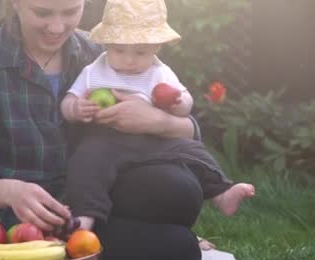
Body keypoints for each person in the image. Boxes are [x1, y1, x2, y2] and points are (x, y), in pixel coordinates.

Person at [0, 0, 249, 260]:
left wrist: (157, 120)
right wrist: (10, 191)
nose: (57, 27)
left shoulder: (105, 50)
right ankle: (131, 237)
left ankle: (132, 232)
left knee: (183, 191)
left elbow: (188, 131)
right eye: (42, 13)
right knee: (181, 251)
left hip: (99, 200)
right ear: (15, 4)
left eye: (71, 11)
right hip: (27, 223)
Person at [60, 0, 255, 231]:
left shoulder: (159, 73)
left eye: (140, 52)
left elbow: (186, 103)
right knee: (86, 163)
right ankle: (86, 215)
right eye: (119, 50)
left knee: (194, 151)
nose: (129, 60)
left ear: (157, 48)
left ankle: (221, 192)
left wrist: (176, 102)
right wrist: (76, 108)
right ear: (106, 44)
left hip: (155, 140)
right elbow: (68, 101)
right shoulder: (94, 71)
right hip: (105, 141)